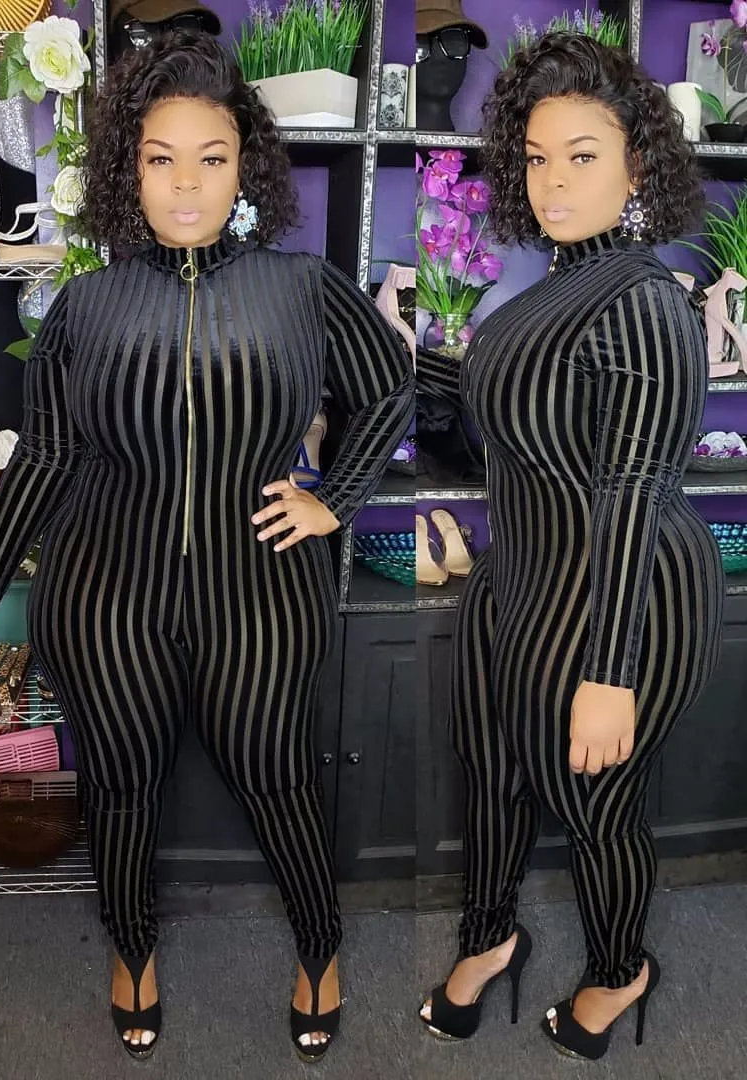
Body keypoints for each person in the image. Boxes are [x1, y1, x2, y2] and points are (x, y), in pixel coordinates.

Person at [0, 30, 412, 1063]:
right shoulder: (87, 303)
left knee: (276, 777)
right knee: (121, 788)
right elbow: (48, 453)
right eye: (160, 158)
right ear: (130, 169)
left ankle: (320, 945)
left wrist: (333, 500)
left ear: (243, 166)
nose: (185, 183)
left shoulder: (301, 287)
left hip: (259, 587)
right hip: (105, 591)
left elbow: (389, 391)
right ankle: (132, 950)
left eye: (211, 158)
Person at [417, 32, 722, 1060]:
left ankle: (620, 967)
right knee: (492, 772)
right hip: (521, 575)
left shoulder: (645, 302)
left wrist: (610, 674)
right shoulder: (552, 285)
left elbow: (633, 489)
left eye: (582, 156)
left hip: (619, 594)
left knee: (596, 808)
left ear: (637, 167)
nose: (553, 181)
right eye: (537, 157)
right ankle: (489, 938)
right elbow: (513, 406)